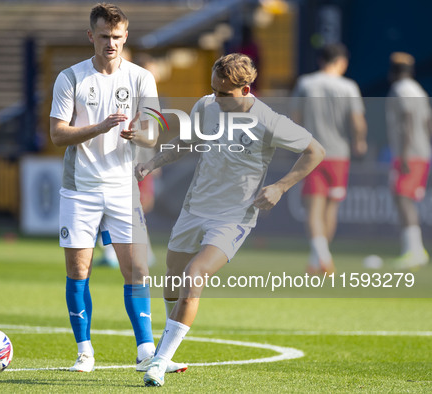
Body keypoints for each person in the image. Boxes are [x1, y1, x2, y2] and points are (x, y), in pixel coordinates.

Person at [135, 53, 325, 387]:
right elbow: (188, 142)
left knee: (196, 275)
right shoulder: (206, 105)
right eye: (214, 90)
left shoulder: (269, 120)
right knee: (173, 279)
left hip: (233, 216)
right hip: (195, 208)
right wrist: (154, 163)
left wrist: (280, 187)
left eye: (224, 93)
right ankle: (169, 352)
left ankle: (160, 361)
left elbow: (316, 151)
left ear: (246, 89)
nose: (216, 98)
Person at [49, 3, 185, 374]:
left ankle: (145, 352)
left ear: (126, 36)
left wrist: (136, 133)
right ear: (90, 36)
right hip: (80, 188)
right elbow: (57, 134)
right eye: (104, 36)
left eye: (117, 37)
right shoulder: (71, 78)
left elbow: (155, 131)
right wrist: (100, 127)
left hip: (122, 188)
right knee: (79, 271)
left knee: (138, 269)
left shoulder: (141, 78)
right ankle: (84, 352)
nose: (111, 43)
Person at [291, 43, 367, 274]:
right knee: (331, 208)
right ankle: (321, 258)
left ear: (321, 61)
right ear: (341, 62)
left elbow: (295, 116)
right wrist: (359, 141)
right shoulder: (349, 86)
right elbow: (357, 120)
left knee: (314, 207)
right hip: (339, 155)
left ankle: (320, 258)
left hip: (313, 151)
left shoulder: (306, 83)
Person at [386, 52, 432, 269]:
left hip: (409, 153)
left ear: (394, 71)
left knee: (403, 197)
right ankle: (413, 249)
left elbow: (408, 120)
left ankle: (414, 250)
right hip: (421, 152)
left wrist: (404, 153)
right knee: (404, 197)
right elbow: (428, 121)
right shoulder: (418, 90)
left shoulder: (401, 89)